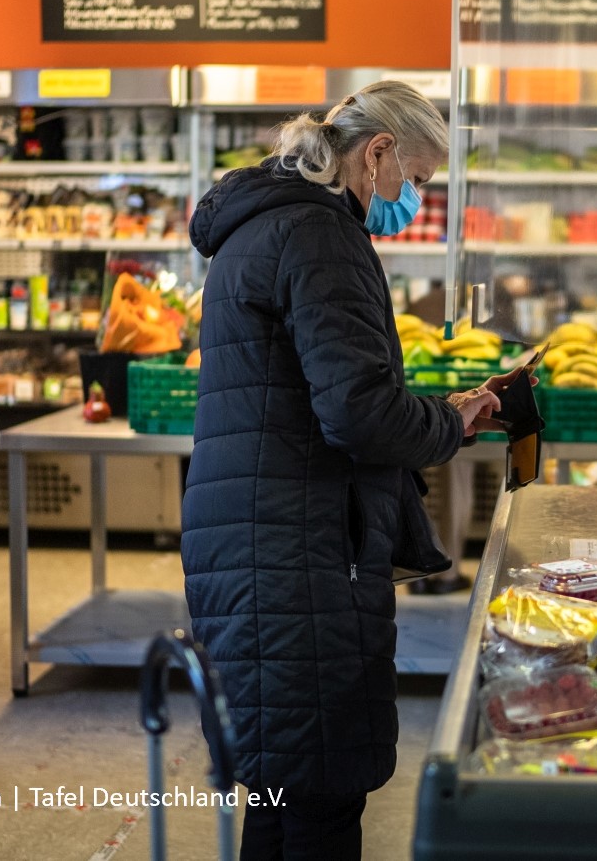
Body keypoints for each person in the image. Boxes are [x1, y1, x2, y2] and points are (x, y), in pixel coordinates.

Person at [183, 81, 512, 860]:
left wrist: (426, 405)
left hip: (258, 537)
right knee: (322, 795)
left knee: (282, 792)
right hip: (300, 555)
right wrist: (449, 420)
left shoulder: (265, 223)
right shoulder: (321, 235)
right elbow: (358, 413)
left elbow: (323, 386)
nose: (414, 200)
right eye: (418, 180)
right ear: (377, 152)